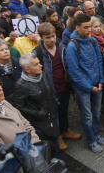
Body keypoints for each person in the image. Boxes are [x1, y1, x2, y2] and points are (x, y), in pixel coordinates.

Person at [33, 23, 81, 151]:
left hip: (63, 85)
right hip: (50, 88)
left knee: (64, 109)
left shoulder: (61, 46)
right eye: (48, 37)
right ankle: (57, 136)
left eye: (53, 36)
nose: (52, 39)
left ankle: (66, 130)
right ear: (41, 37)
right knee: (53, 115)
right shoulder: (38, 52)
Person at [65, 13, 104, 153]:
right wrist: (89, 87)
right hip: (85, 87)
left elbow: (99, 61)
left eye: (90, 27)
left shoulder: (92, 41)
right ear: (77, 27)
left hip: (97, 84)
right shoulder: (72, 46)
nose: (89, 30)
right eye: (85, 27)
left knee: (96, 112)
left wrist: (101, 80)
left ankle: (96, 134)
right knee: (87, 115)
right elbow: (74, 72)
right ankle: (91, 140)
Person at [8, 53, 60, 144]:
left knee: (56, 139)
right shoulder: (21, 85)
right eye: (36, 64)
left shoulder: (43, 75)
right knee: (47, 144)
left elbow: (50, 91)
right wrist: (39, 114)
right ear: (27, 69)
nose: (41, 66)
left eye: (39, 63)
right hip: (40, 122)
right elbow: (19, 107)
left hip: (52, 114)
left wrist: (55, 103)